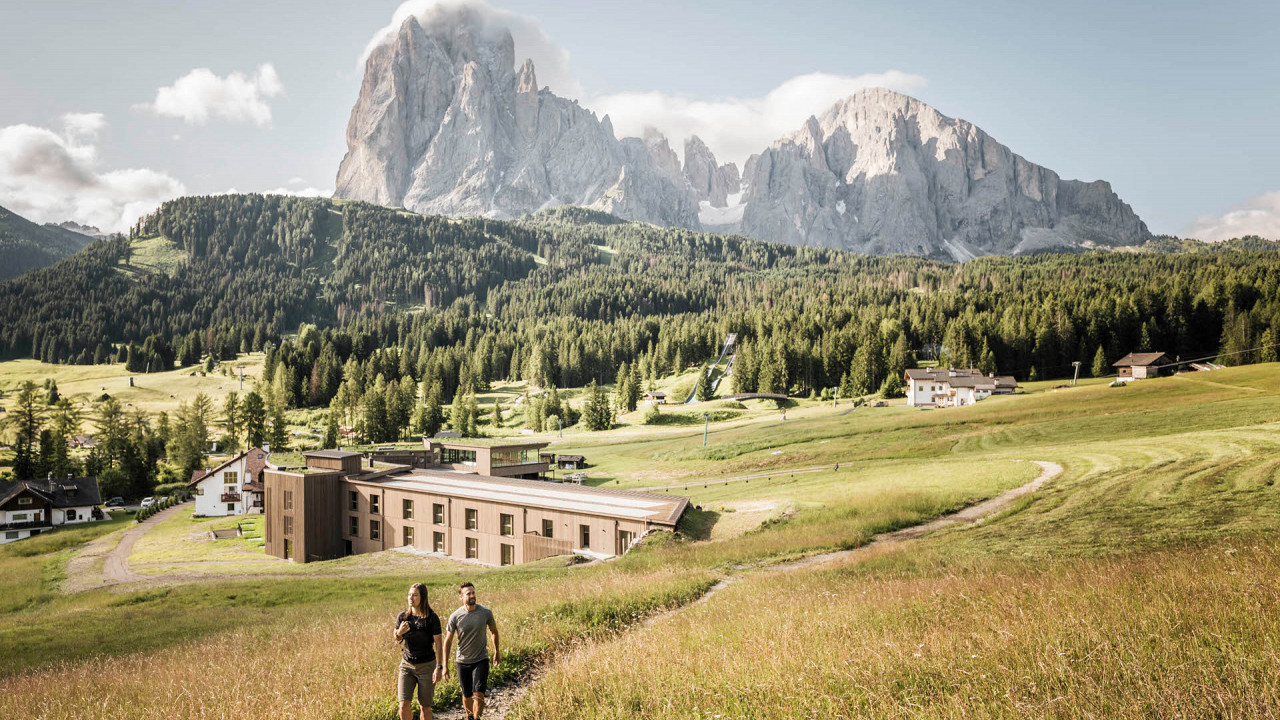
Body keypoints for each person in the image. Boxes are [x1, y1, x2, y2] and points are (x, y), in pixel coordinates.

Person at [442, 581, 501, 720]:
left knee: (479, 693)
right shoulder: (455, 616)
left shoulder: (485, 612)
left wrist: (497, 651)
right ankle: (469, 716)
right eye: (468, 594)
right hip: (462, 661)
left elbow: (494, 631)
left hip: (481, 659)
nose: (472, 596)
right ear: (461, 597)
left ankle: (477, 718)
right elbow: (448, 641)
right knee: (466, 694)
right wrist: (444, 665)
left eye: (473, 592)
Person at [394, 583, 443, 720]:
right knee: (403, 705)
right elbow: (396, 637)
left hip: (427, 666)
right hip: (407, 665)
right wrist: (399, 632)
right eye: (409, 595)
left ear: (423, 597)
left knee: (425, 707)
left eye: (415, 595)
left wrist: (439, 667)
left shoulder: (432, 618)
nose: (411, 598)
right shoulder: (403, 617)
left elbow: (439, 644)